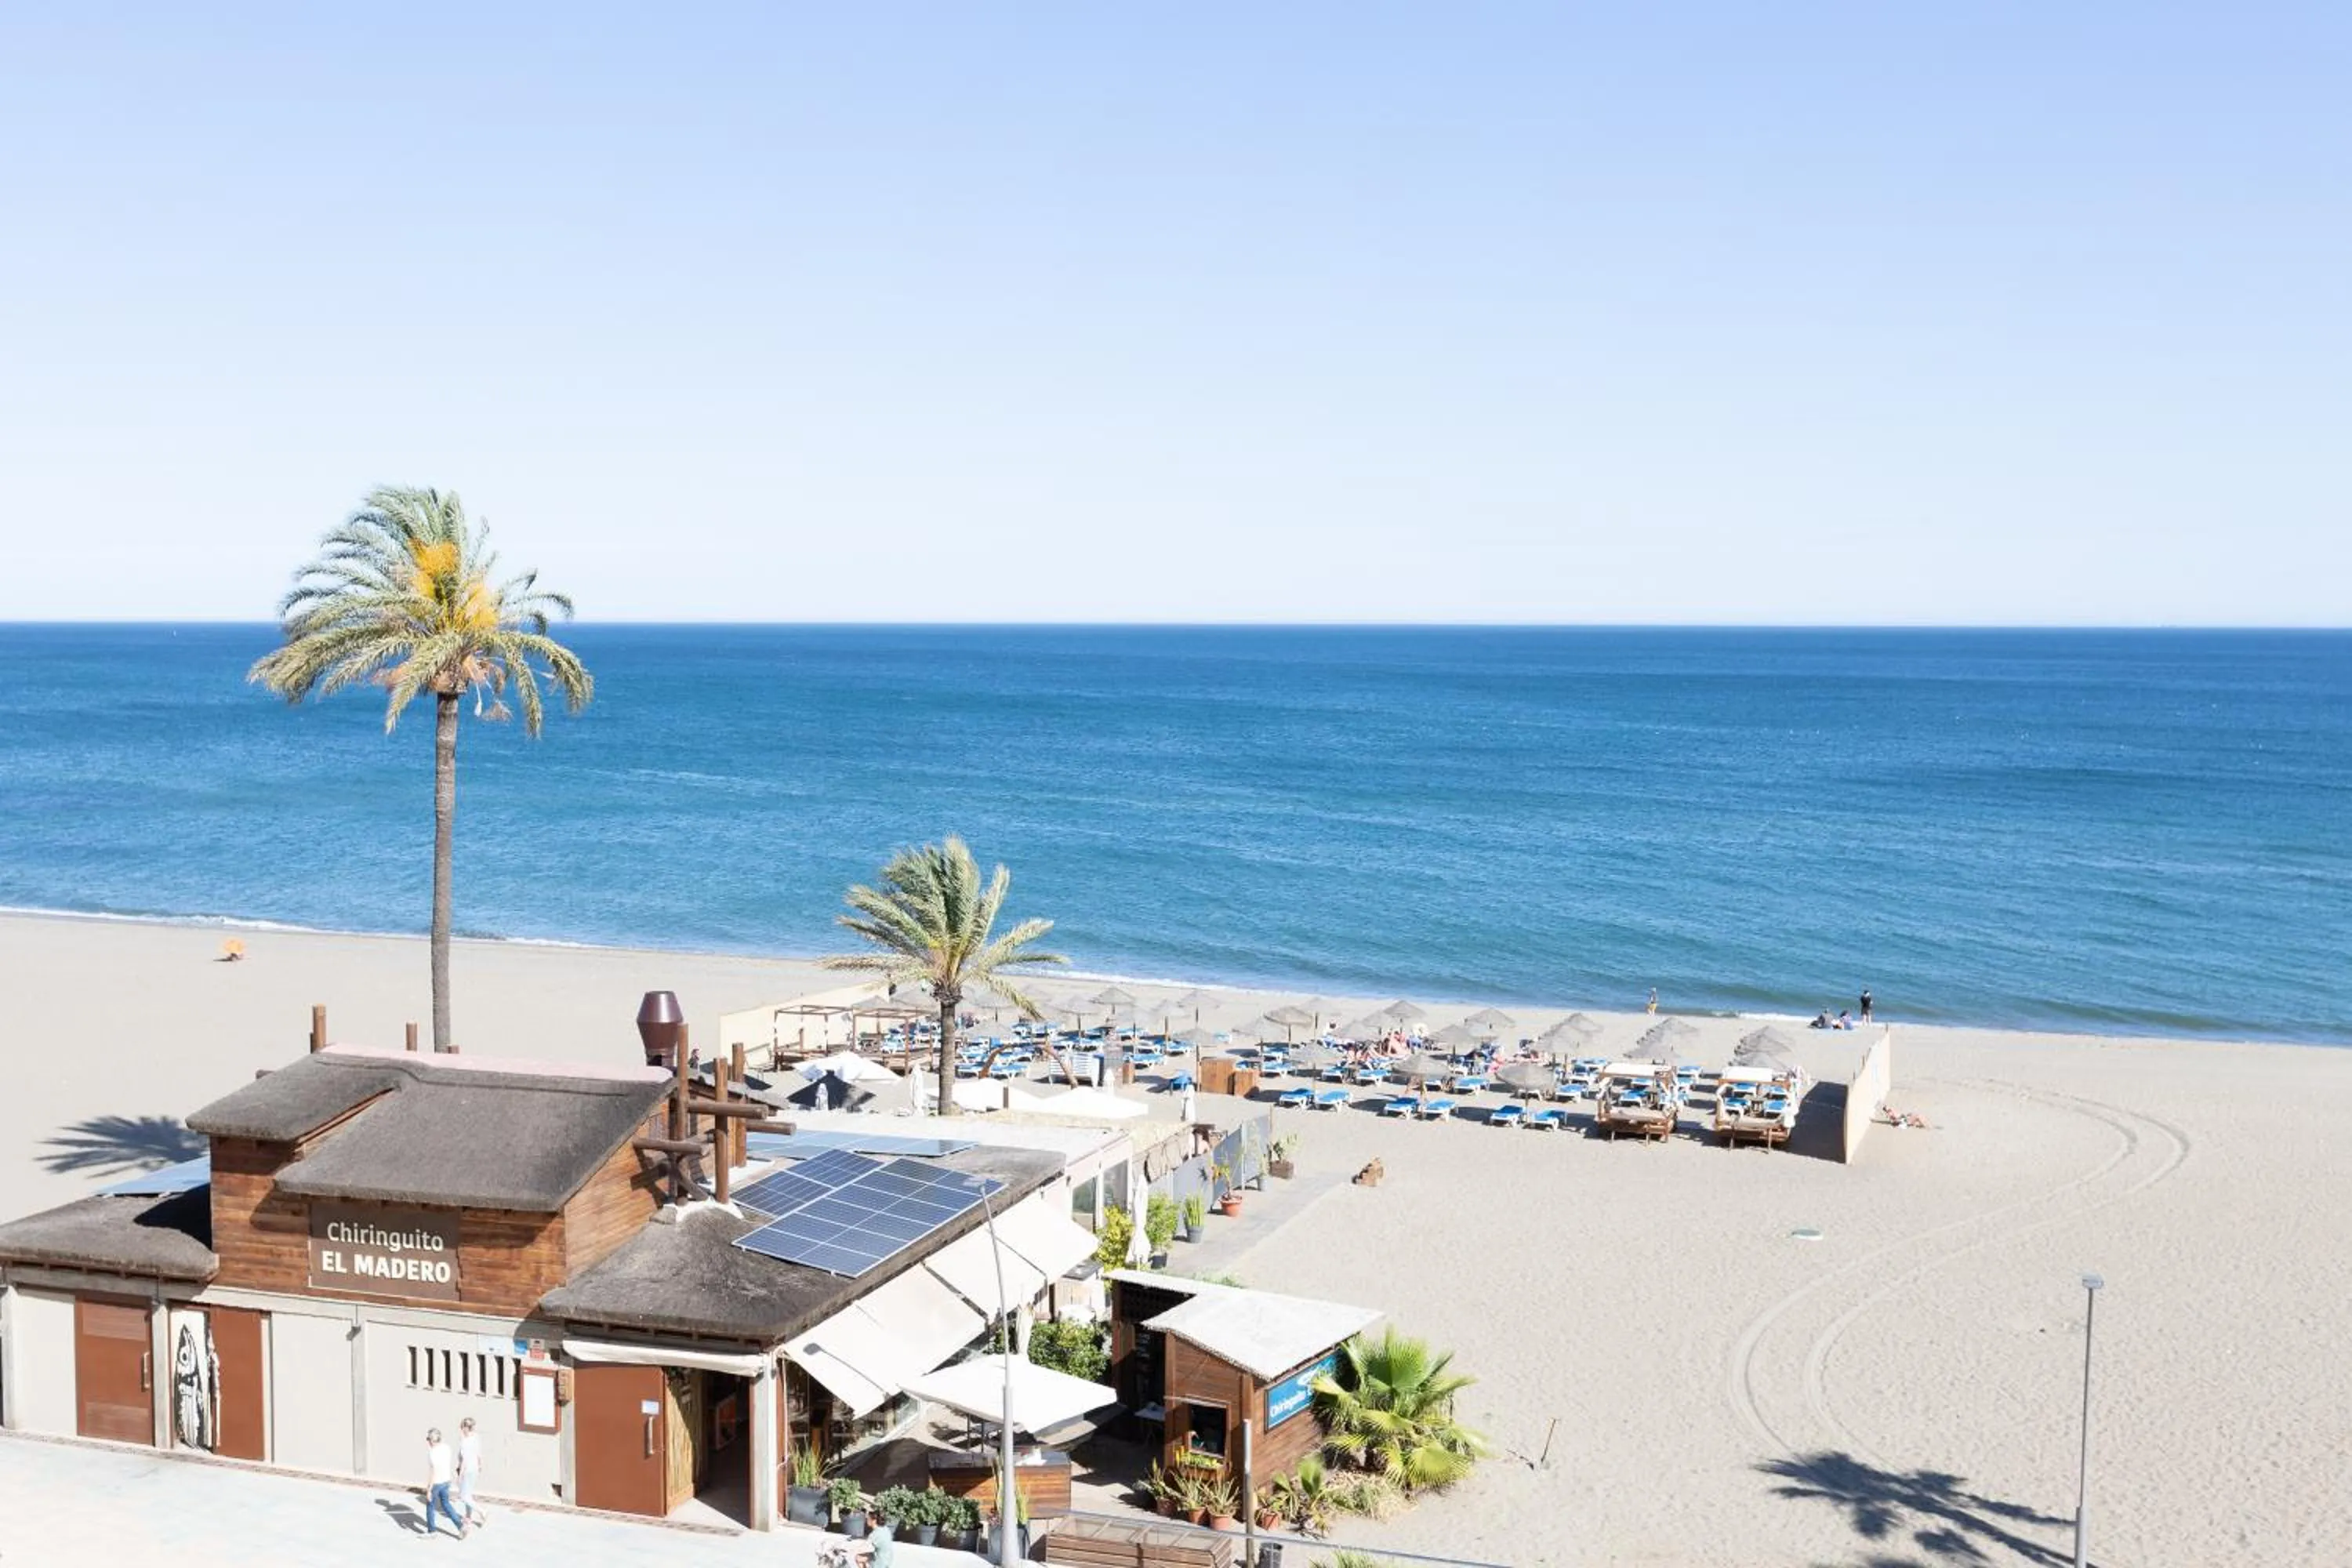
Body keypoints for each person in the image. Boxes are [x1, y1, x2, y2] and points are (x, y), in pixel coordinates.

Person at [423, 1428, 465, 1538]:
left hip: (436, 1483)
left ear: (432, 1440)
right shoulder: (447, 1448)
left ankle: (432, 1532)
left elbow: (433, 1472)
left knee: (430, 1506)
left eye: (428, 1439)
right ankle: (461, 1526)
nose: (427, 1441)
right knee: (446, 1504)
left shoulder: (432, 1453)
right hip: (446, 1481)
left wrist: (429, 1490)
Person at [456, 1416, 487, 1530]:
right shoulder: (476, 1437)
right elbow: (479, 1454)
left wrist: (460, 1475)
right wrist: (480, 1465)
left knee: (464, 1497)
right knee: (468, 1494)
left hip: (467, 1470)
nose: (461, 1429)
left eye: (462, 1427)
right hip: (475, 1469)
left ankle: (482, 1511)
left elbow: (464, 1460)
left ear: (466, 1428)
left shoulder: (465, 1442)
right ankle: (468, 1517)